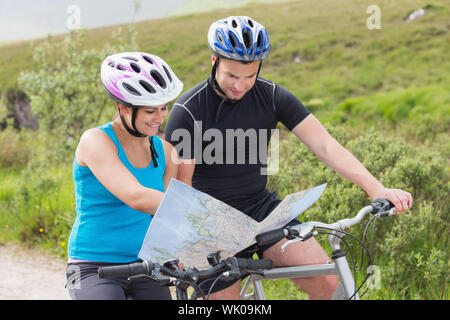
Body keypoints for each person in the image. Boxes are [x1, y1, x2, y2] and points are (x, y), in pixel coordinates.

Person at [164, 16, 413, 300]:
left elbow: (325, 145)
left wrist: (376, 188)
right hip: (210, 224)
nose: (240, 86)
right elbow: (180, 191)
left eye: (249, 76)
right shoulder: (188, 111)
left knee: (335, 288)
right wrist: (187, 244)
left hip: (263, 212)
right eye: (232, 76)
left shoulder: (272, 96)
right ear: (214, 61)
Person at [66, 52, 183, 300]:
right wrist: (199, 210)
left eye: (164, 108)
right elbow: (136, 196)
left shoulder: (165, 151)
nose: (160, 118)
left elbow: (165, 217)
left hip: (146, 266)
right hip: (93, 267)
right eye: (151, 111)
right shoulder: (95, 141)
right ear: (124, 107)